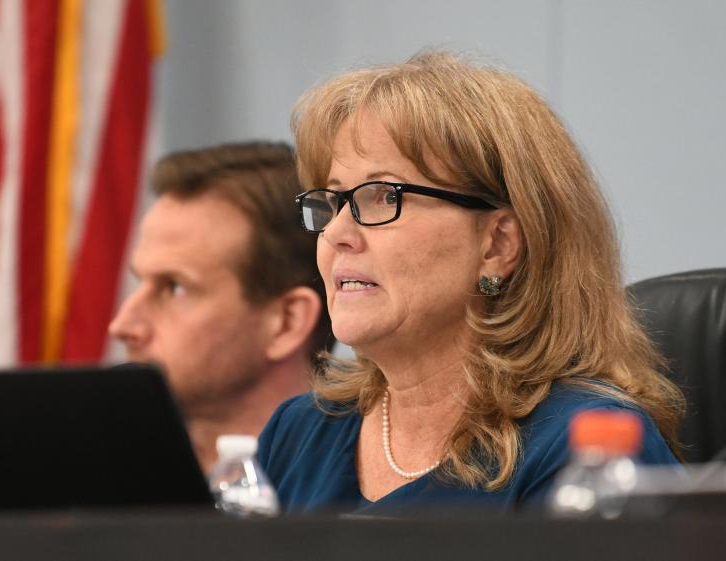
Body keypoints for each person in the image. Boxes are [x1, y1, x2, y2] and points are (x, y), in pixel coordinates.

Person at [256, 51, 686, 515]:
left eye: (382, 196)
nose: (337, 234)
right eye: (332, 201)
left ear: (497, 245)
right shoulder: (298, 433)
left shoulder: (588, 450)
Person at [109, 142, 333, 473]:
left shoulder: (357, 496)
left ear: (287, 322)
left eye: (175, 287)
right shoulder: (97, 479)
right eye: (139, 282)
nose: (123, 326)